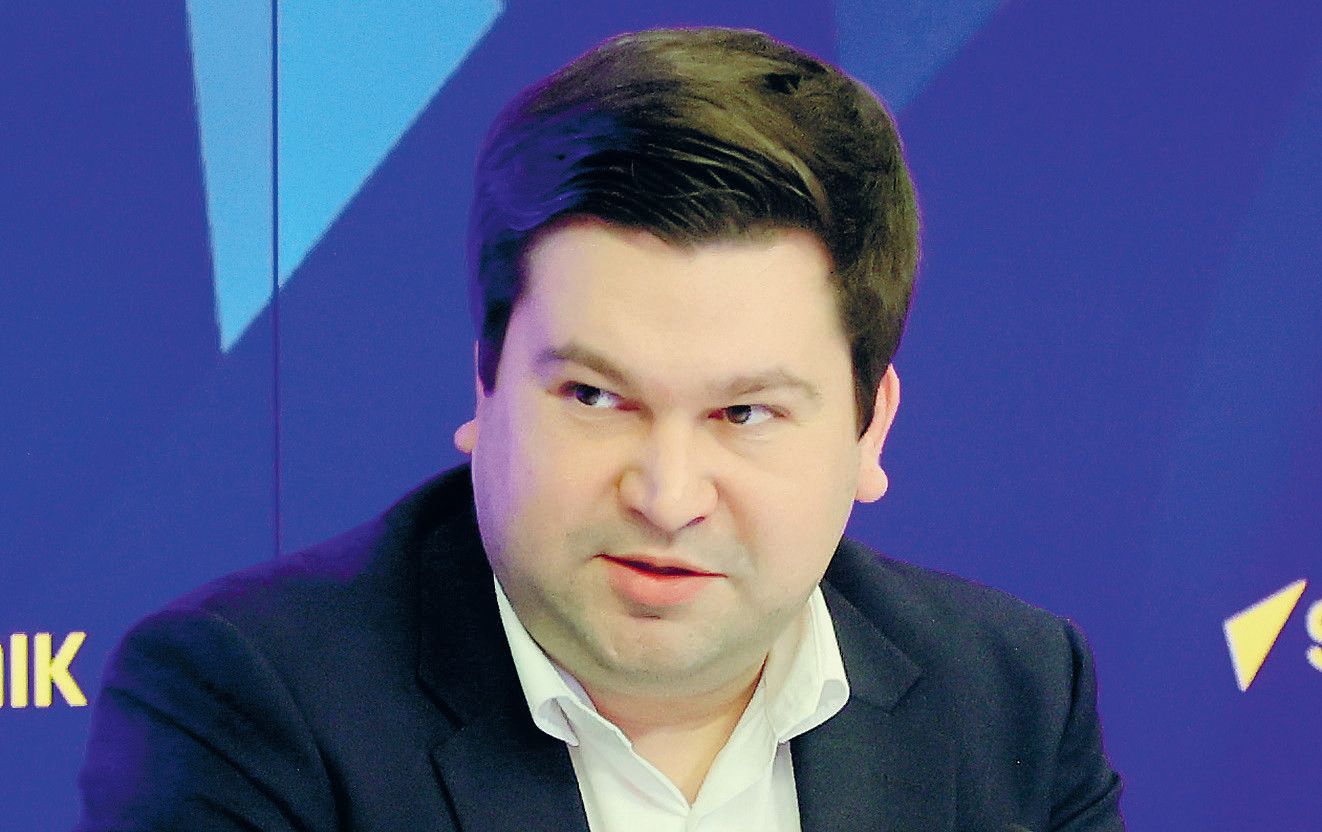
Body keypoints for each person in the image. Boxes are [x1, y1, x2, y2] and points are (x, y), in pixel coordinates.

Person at [76, 27, 1124, 832]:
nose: (666, 497)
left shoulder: (1015, 693)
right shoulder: (245, 706)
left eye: (743, 413)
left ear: (868, 432)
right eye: (595, 398)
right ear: (485, 388)